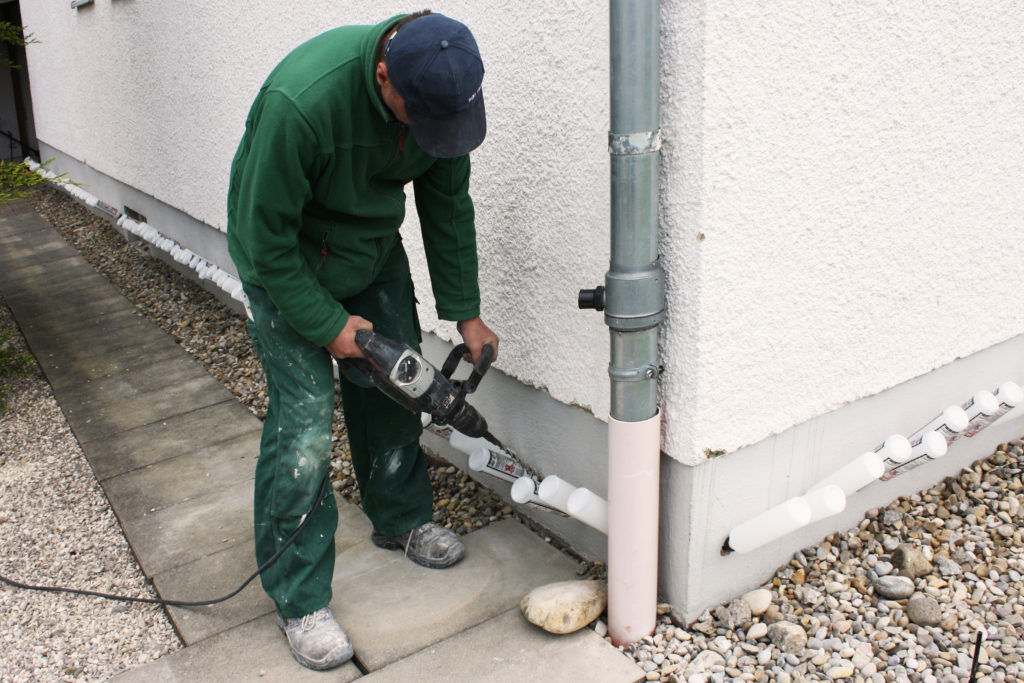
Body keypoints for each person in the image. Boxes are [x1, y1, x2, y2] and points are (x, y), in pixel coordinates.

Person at [226, 11, 498, 671]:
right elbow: (263, 239)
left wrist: (466, 312)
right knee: (306, 420)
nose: (434, 136)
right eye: (420, 121)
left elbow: (447, 203)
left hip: (369, 250)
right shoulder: (304, 102)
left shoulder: (439, 91)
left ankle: (399, 516)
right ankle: (297, 593)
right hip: (284, 261)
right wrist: (329, 327)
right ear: (383, 77)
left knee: (395, 387)